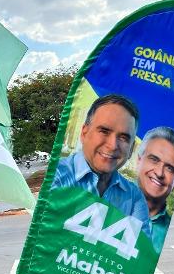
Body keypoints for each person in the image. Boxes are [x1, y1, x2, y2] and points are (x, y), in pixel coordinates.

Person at [52, 94, 150, 229]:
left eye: (123, 137)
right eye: (104, 131)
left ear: (132, 148)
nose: (113, 145)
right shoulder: (56, 177)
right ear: (84, 133)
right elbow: (46, 240)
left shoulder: (134, 197)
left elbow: (142, 247)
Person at [135, 126, 174, 252]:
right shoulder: (106, 205)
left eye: (169, 168)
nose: (159, 172)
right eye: (154, 160)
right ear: (138, 161)